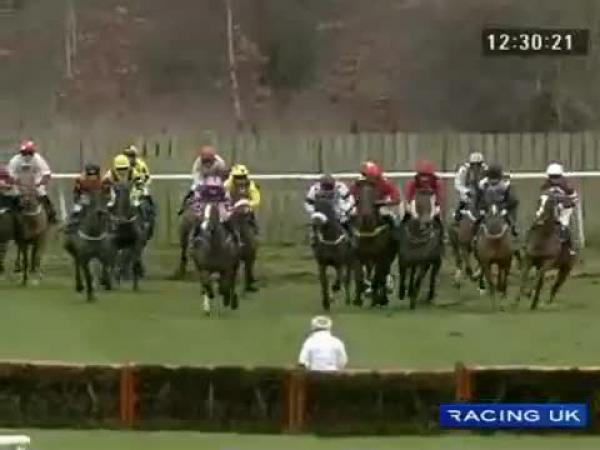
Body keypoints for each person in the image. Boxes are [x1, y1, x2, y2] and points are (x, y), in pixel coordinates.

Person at [7, 140, 58, 224]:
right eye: (24, 153)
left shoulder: (38, 159)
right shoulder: (15, 160)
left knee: (41, 193)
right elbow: (9, 174)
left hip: (36, 181)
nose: (26, 155)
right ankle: (13, 216)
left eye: (29, 153)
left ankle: (51, 215)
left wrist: (40, 183)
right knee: (15, 194)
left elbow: (46, 173)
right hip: (20, 181)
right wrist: (16, 182)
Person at [537, 162, 578, 254]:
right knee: (539, 221)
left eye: (556, 177)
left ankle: (570, 247)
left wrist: (564, 204)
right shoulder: (545, 185)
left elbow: (574, 199)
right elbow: (542, 197)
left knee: (564, 224)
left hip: (565, 208)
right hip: (549, 206)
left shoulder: (567, 186)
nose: (554, 180)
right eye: (552, 177)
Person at [304, 173, 355, 246]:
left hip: (338, 209)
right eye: (326, 187)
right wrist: (313, 212)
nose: (328, 190)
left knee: (346, 220)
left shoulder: (341, 187)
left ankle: (350, 236)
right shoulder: (315, 189)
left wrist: (346, 209)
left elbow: (349, 199)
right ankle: (314, 237)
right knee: (316, 222)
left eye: (329, 187)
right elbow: (308, 203)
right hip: (321, 211)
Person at [178, 145, 229, 215]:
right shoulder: (197, 162)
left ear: (213, 158)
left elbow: (224, 175)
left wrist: (221, 183)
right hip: (203, 179)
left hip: (216, 179)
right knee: (192, 190)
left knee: (226, 191)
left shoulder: (220, 163)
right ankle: (183, 207)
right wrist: (200, 184)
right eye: (205, 161)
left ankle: (228, 207)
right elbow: (196, 175)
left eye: (209, 160)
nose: (207, 163)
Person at [191, 175, 241, 246]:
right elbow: (197, 201)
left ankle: (236, 238)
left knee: (227, 219)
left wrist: (228, 211)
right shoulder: (201, 190)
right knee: (199, 220)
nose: (213, 190)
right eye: (211, 188)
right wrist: (198, 211)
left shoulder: (224, 191)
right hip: (206, 203)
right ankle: (193, 238)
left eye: (215, 188)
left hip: (219, 204)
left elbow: (228, 201)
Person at [349, 161, 402, 228]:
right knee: (347, 217)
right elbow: (349, 197)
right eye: (364, 175)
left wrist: (381, 202)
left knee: (393, 219)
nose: (366, 177)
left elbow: (397, 199)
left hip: (379, 208)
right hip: (361, 209)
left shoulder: (385, 183)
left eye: (367, 175)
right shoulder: (358, 184)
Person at [403, 160, 444, 242]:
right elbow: (408, 198)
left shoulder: (437, 183)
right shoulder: (412, 182)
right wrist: (410, 208)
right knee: (405, 218)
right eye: (422, 175)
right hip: (415, 203)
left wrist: (437, 208)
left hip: (432, 204)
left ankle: (441, 238)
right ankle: (401, 236)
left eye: (427, 175)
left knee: (438, 220)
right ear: (418, 175)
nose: (425, 179)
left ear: (432, 176)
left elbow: (440, 198)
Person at [476, 163, 519, 237]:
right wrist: (482, 207)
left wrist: (505, 207)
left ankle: (513, 230)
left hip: (500, 206)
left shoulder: (504, 185)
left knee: (506, 216)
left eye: (495, 177)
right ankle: (475, 235)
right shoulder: (483, 184)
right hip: (487, 206)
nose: (493, 180)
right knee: (480, 217)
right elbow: (480, 197)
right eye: (492, 177)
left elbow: (510, 198)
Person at [122, 145, 155, 239]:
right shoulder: (122, 165)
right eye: (127, 156)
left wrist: (143, 187)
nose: (129, 159)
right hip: (125, 189)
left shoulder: (141, 165)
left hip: (139, 188)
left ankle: (146, 221)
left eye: (131, 156)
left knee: (144, 203)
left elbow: (147, 178)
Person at [66, 163, 108, 232]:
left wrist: (105, 201)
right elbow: (76, 193)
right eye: (90, 175)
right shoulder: (80, 181)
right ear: (86, 174)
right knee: (76, 211)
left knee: (107, 212)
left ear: (98, 174)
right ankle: (71, 227)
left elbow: (106, 194)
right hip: (84, 202)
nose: (92, 177)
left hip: (98, 202)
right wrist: (78, 200)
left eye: (94, 174)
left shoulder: (103, 182)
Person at [224, 164, 261, 232]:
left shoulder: (252, 186)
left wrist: (247, 203)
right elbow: (223, 192)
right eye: (237, 177)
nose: (240, 180)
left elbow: (256, 201)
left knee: (252, 224)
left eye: (243, 177)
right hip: (232, 209)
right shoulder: (229, 184)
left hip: (246, 209)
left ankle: (253, 228)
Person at [453, 151, 488, 222]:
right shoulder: (464, 170)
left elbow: (490, 179)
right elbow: (457, 183)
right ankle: (459, 212)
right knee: (467, 196)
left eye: (478, 165)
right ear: (471, 164)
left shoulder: (485, 168)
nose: (476, 167)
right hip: (467, 190)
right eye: (474, 165)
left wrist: (484, 182)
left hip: (481, 192)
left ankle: (483, 213)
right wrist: (466, 191)